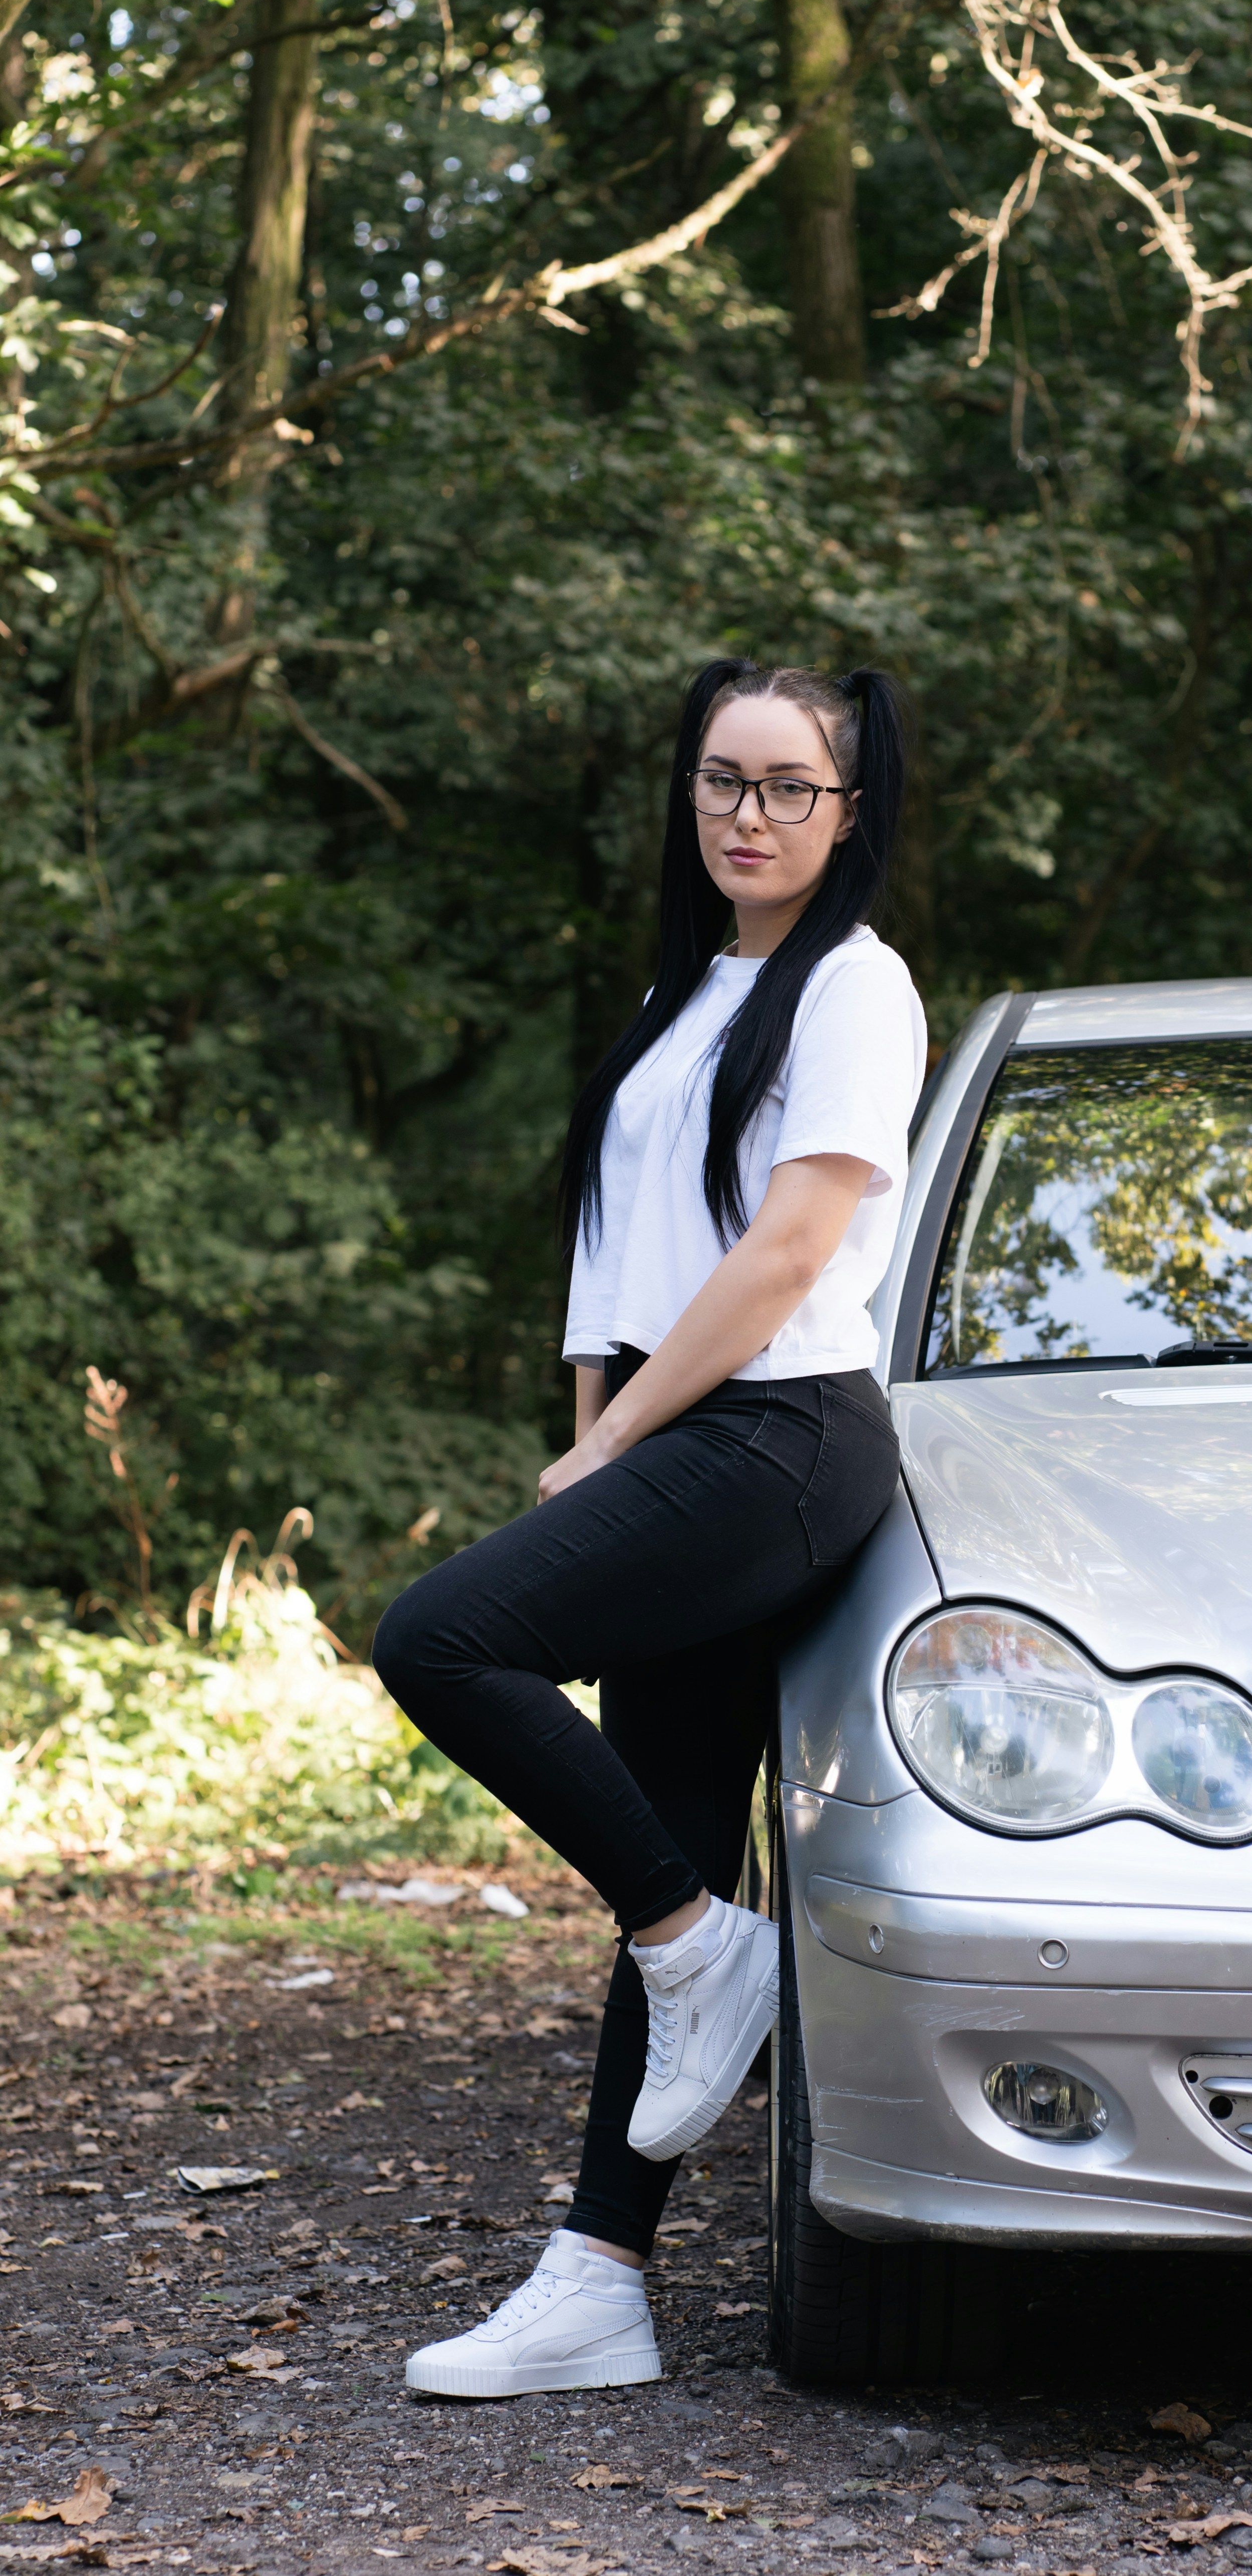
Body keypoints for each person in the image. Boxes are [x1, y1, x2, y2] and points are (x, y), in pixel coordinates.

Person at [372, 659, 927, 2398]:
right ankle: (601, 2276)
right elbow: (628, 1259)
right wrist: (591, 1420)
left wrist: (613, 1441)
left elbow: (780, 1259)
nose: (747, 815)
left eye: (786, 786)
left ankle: (704, 1942)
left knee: (441, 1638)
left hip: (779, 1438)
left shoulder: (857, 986)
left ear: (848, 812)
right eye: (720, 781)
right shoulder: (684, 987)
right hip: (681, 1431)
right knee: (674, 1807)